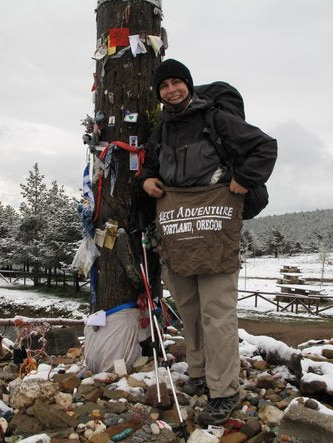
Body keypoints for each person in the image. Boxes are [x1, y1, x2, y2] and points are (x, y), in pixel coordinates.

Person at [140, 59, 277, 426]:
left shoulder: (215, 119)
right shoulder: (164, 129)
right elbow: (151, 166)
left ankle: (225, 390)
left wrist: (244, 179)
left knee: (217, 313)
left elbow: (264, 147)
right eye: (165, 85)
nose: (172, 90)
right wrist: (147, 181)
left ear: (189, 85)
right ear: (159, 93)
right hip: (178, 232)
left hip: (215, 230)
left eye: (177, 83)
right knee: (189, 309)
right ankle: (199, 373)